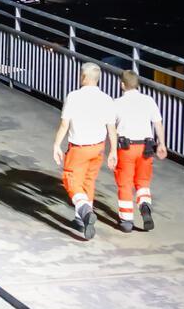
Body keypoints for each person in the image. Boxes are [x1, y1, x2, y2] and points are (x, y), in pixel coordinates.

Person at [52, 61, 117, 241]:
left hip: (79, 147)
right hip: (98, 148)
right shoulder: (107, 99)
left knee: (71, 179)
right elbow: (112, 129)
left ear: (83, 77)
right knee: (88, 182)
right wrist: (114, 152)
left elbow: (65, 123)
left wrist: (57, 144)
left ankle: (84, 210)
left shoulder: (74, 96)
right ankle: (82, 220)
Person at [112, 70, 168, 231]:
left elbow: (111, 128)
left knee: (125, 183)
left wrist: (112, 151)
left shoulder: (117, 103)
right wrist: (162, 144)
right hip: (146, 147)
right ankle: (144, 205)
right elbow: (158, 123)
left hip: (126, 148)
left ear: (122, 84)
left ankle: (127, 220)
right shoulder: (148, 101)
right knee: (143, 182)